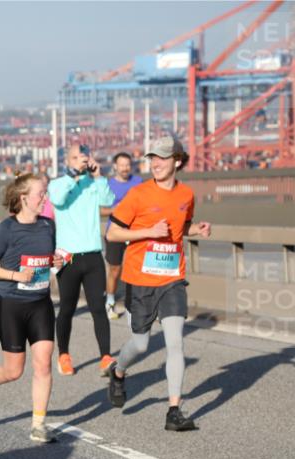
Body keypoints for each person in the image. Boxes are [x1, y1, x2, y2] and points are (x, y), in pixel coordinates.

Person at [106, 136, 211, 432]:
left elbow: (181, 228)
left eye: (162, 158)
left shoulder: (187, 195)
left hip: (172, 278)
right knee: (141, 344)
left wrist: (197, 229)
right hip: (140, 278)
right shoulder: (138, 195)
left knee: (175, 342)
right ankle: (119, 370)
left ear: (177, 161)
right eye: (152, 158)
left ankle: (173, 410)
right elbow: (113, 233)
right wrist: (148, 231)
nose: (155, 163)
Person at [0, 173, 63, 443]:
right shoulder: (6, 230)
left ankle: (39, 424)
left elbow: (45, 257)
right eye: (40, 193)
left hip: (40, 302)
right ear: (24, 198)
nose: (44, 198)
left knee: (44, 362)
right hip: (10, 303)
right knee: (14, 371)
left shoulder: (47, 225)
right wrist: (14, 276)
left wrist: (54, 261)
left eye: (45, 193)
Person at [48, 144, 116, 377]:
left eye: (83, 158)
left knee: (98, 308)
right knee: (67, 308)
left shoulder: (92, 183)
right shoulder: (58, 183)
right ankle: (64, 354)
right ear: (68, 161)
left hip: (93, 255)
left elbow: (108, 200)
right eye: (76, 158)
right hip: (69, 257)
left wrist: (98, 176)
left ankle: (105, 356)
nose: (80, 161)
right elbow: (56, 200)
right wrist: (72, 175)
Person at [101, 152, 144, 319]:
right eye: (122, 165)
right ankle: (110, 302)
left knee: (136, 268)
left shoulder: (138, 182)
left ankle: (134, 305)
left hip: (135, 231)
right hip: (115, 232)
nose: (125, 168)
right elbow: (101, 210)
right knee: (114, 269)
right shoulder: (108, 185)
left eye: (128, 164)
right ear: (115, 167)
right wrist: (117, 209)